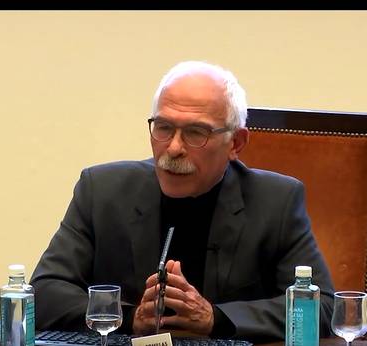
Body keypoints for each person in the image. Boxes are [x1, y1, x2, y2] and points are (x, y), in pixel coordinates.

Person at [30, 60, 334, 342]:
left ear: (236, 143)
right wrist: (129, 316)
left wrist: (216, 318)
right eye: (163, 128)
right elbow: (43, 294)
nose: (173, 148)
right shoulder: (101, 191)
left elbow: (323, 307)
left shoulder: (276, 201)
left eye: (195, 133)